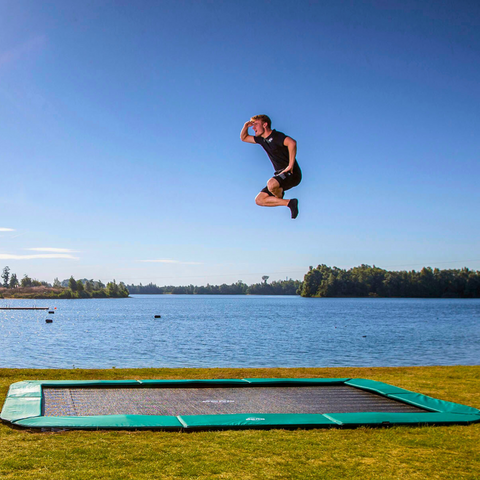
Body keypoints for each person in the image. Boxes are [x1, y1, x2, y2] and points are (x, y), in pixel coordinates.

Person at [240, 114, 301, 219]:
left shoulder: (276, 136)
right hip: (280, 175)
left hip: (292, 173)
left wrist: (290, 165)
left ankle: (279, 193)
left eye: (256, 124)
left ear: (265, 124)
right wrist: (246, 126)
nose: (253, 128)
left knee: (271, 184)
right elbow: (244, 137)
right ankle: (289, 203)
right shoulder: (261, 139)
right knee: (259, 200)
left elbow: (292, 143)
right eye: (252, 125)